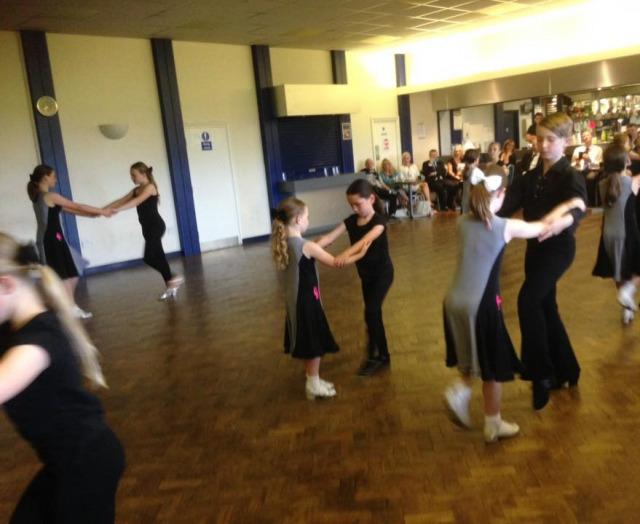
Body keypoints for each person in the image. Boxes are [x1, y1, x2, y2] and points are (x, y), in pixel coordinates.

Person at [443, 169, 585, 442]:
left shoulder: (461, 222)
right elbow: (543, 227)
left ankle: (477, 405)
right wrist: (569, 204)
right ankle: (474, 405)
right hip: (482, 304)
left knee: (477, 356)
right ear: (502, 194)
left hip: (453, 302)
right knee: (494, 366)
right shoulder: (504, 226)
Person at [0, 233, 125, 522]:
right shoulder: (11, 328)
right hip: (63, 462)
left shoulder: (37, 342)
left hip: (87, 464)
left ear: (6, 285)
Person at [498, 112, 588, 410]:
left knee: (528, 300)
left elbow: (578, 207)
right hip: (535, 250)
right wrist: (481, 211)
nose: (543, 145)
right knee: (546, 307)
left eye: (551, 140)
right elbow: (505, 207)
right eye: (540, 139)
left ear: (566, 141)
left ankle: (540, 374)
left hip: (559, 250)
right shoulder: (530, 177)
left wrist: (564, 221)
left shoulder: (570, 176)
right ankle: (567, 368)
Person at [270, 198, 369, 399]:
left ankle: (312, 379)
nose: (308, 220)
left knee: (309, 341)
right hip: (307, 302)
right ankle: (313, 384)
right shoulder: (306, 246)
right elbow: (336, 262)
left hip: (296, 302)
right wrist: (361, 253)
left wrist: (320, 244)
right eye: (307, 217)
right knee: (313, 342)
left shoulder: (286, 243)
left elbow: (307, 252)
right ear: (298, 219)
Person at [317, 180, 394, 376]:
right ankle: (383, 354)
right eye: (351, 205)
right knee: (372, 314)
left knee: (371, 312)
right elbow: (330, 237)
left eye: (358, 204)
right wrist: (312, 246)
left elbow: (364, 241)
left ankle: (375, 356)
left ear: (371, 199)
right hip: (366, 275)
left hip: (383, 274)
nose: (354, 209)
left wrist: (344, 254)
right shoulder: (351, 221)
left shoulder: (379, 222)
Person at [27, 164, 113, 319]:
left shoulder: (41, 197)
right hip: (52, 240)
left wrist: (92, 215)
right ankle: (68, 307)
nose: (55, 179)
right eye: (53, 176)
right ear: (45, 178)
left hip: (54, 239)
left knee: (71, 273)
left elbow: (70, 210)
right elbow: (77, 205)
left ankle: (68, 306)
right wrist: (102, 211)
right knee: (66, 275)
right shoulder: (49, 196)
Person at [105, 162, 184, 301]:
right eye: (131, 175)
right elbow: (121, 200)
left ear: (144, 174)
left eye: (134, 175)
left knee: (149, 258)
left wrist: (118, 210)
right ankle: (171, 286)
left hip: (156, 227)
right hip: (147, 229)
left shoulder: (150, 187)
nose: (132, 178)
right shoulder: (136, 190)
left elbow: (137, 202)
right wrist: (103, 209)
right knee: (160, 257)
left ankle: (174, 278)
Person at [592, 145, 640, 324]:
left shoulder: (602, 184)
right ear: (627, 161)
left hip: (607, 234)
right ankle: (628, 292)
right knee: (635, 268)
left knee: (618, 270)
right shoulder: (630, 182)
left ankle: (626, 310)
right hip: (626, 233)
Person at [398, 151, 435, 217]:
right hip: (407, 185)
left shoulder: (414, 166)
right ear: (403, 159)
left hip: (416, 184)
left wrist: (418, 180)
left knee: (425, 184)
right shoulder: (401, 168)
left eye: (408, 158)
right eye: (405, 158)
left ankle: (429, 203)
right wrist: (412, 181)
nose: (407, 159)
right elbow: (402, 179)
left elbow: (418, 175)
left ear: (410, 158)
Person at [571, 130, 603, 206]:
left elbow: (599, 166)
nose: (585, 137)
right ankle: (579, 203)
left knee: (589, 178)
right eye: (583, 136)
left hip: (592, 170)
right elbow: (572, 165)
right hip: (579, 170)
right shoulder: (577, 149)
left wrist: (589, 160)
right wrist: (577, 162)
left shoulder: (598, 149)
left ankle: (590, 203)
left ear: (591, 136)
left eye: (587, 135)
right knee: (574, 179)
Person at [460, 149, 480, 215]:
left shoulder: (465, 170)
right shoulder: (476, 171)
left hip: (465, 199)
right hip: (472, 201)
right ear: (476, 159)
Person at [445, 145, 465, 210]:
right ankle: (451, 203)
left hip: (462, 178)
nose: (457, 152)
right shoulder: (450, 161)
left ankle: (462, 202)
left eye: (459, 151)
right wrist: (456, 177)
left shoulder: (463, 160)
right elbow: (450, 172)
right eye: (456, 151)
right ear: (454, 152)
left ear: (461, 152)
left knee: (466, 184)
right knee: (455, 185)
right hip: (451, 178)